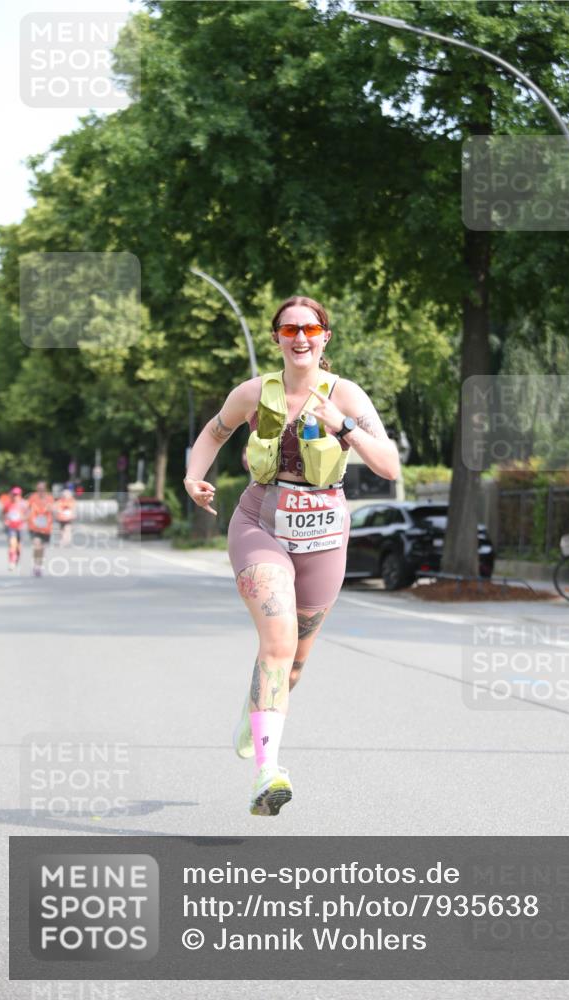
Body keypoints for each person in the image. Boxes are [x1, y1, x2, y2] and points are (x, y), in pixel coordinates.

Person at [184, 295, 400, 816]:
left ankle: (254, 711)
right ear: (276, 338)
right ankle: (267, 773)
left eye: (310, 328)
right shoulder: (254, 393)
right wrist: (194, 476)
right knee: (277, 642)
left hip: (325, 534)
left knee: (294, 663)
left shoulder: (346, 395)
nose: (299, 337)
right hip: (261, 522)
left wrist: (342, 426)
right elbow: (214, 432)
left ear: (325, 336)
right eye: (288, 330)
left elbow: (390, 465)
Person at [27, 481, 54, 576]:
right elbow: (28, 509)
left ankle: (39, 565)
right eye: (39, 489)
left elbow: (53, 509)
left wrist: (52, 509)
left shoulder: (49, 498)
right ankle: (35, 565)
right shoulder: (33, 497)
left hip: (46, 527)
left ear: (45, 489)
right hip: (34, 526)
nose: (40, 491)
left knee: (42, 548)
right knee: (36, 544)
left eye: (42, 489)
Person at [3, 486, 29, 571]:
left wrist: (23, 517)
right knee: (12, 544)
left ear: (20, 495)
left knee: (19, 547)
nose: (15, 496)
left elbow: (29, 515)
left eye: (17, 494)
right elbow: (4, 514)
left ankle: (17, 558)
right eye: (14, 494)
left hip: (21, 527)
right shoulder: (8, 504)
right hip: (12, 527)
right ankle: (12, 562)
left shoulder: (24, 504)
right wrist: (5, 521)